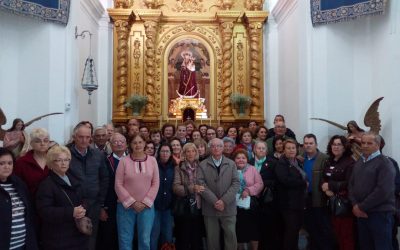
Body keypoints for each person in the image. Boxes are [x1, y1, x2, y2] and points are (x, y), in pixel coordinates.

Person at [349, 132, 395, 250]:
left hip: (379, 214)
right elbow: (351, 184)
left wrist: (361, 207)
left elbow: (383, 191)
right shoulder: (359, 161)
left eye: (369, 143)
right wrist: (355, 205)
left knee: (382, 246)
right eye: (363, 143)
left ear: (378, 145)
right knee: (365, 246)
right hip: (361, 214)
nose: (364, 146)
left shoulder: (385, 163)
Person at [36, 146, 88, 250]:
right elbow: (44, 211)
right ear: (51, 163)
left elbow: (84, 198)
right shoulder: (46, 184)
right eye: (59, 160)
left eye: (66, 160)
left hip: (78, 234)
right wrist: (71, 212)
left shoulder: (74, 179)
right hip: (58, 238)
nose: (63, 163)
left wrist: (83, 209)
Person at [67, 123, 109, 250]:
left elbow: (104, 178)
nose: (84, 140)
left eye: (87, 137)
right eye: (80, 137)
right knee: (72, 238)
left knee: (91, 238)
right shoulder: (66, 154)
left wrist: (100, 201)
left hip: (93, 204)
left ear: (91, 138)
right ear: (74, 137)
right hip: (73, 205)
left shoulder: (98, 155)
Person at [115, 134, 159, 250]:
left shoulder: (152, 161)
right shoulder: (123, 161)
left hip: (146, 207)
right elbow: (118, 184)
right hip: (125, 207)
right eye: (134, 143)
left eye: (140, 142)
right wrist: (132, 202)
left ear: (145, 143)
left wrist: (145, 202)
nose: (138, 145)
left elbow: (155, 183)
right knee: (125, 239)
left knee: (145, 239)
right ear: (130, 145)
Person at [197, 138, 240, 250]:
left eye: (219, 146)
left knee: (230, 237)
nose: (216, 148)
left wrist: (224, 201)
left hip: (228, 207)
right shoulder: (202, 164)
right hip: (210, 208)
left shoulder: (231, 164)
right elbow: (201, 184)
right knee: (212, 240)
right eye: (213, 146)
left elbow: (236, 183)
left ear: (223, 148)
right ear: (209, 148)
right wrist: (215, 201)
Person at [0, 147, 39, 250]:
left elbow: (29, 215)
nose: (6, 167)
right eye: (2, 163)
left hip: (23, 244)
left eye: (10, 163)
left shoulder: (19, 184)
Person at [321, 135, 355, 250]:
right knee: (335, 235)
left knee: (346, 235)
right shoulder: (329, 161)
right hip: (331, 203)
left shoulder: (350, 162)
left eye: (339, 144)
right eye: (334, 144)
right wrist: (325, 188)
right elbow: (324, 178)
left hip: (344, 204)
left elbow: (350, 183)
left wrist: (330, 186)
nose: (336, 147)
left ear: (345, 147)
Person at [302, 134, 335, 250]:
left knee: (322, 227)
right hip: (305, 199)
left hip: (319, 198)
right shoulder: (301, 158)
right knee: (309, 226)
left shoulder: (324, 158)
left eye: (311, 143)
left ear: (316, 144)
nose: (308, 145)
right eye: (306, 143)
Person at [274, 139, 307, 250]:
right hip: (288, 204)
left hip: (298, 202)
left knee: (296, 230)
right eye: (288, 148)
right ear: (284, 150)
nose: (291, 150)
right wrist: (303, 183)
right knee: (291, 231)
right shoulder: (281, 163)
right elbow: (285, 180)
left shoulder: (298, 162)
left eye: (293, 148)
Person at [97, 133, 127, 250]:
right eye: (115, 142)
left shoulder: (132, 159)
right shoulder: (104, 160)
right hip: (109, 205)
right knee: (109, 237)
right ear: (110, 144)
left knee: (125, 237)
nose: (119, 144)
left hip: (128, 205)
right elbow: (100, 184)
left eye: (121, 141)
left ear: (126, 144)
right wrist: (101, 207)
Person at [250, 141, 281, 250]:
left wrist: (262, 184)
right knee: (254, 227)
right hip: (252, 201)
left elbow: (278, 181)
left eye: (263, 148)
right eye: (259, 148)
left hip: (267, 200)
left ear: (267, 151)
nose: (261, 150)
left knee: (268, 227)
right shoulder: (249, 162)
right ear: (254, 150)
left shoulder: (273, 163)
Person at [173, 142, 204, 250]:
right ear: (184, 153)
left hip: (199, 205)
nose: (190, 153)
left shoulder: (202, 166)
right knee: (184, 237)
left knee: (197, 237)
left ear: (196, 152)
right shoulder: (179, 167)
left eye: (193, 151)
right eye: (188, 151)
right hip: (185, 206)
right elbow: (176, 187)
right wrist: (191, 188)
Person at [234, 149, 264, 250]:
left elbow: (260, 184)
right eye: (238, 158)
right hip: (235, 206)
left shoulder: (252, 169)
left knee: (253, 230)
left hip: (251, 205)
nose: (241, 160)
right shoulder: (231, 170)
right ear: (234, 160)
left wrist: (248, 190)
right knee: (239, 230)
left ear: (247, 159)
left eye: (243, 158)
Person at [151, 143, 175, 250]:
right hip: (154, 206)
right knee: (154, 235)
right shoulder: (153, 165)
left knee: (168, 235)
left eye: (167, 151)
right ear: (158, 153)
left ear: (171, 153)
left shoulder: (175, 167)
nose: (165, 154)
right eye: (162, 151)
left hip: (169, 207)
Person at [15, 128, 50, 198]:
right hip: (31, 202)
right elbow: (17, 186)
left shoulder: (55, 159)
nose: (42, 143)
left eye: (45, 141)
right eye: (38, 141)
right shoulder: (21, 162)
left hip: (54, 204)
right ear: (31, 143)